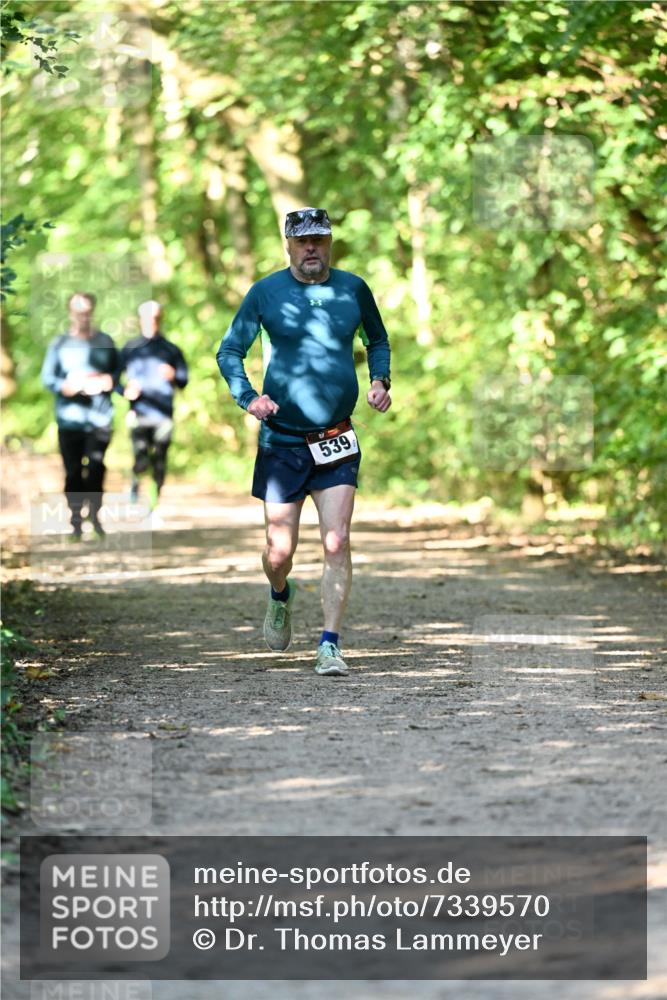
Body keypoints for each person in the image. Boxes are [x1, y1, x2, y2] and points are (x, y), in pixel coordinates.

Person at [217, 207, 391, 677]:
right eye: (303, 241)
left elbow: (377, 340)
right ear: (288, 245)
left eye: (320, 239)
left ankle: (329, 644)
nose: (312, 248)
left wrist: (380, 380)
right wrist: (248, 397)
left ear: (330, 242)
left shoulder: (353, 288)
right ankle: (279, 593)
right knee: (279, 553)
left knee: (337, 541)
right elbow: (230, 350)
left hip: (337, 437)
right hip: (283, 442)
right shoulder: (266, 292)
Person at [41, 291, 117, 539]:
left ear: (92, 312)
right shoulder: (59, 344)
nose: (83, 316)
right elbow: (47, 378)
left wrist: (109, 380)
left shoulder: (105, 340)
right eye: (78, 312)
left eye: (87, 312)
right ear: (71, 313)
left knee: (96, 468)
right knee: (73, 472)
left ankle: (95, 518)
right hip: (69, 419)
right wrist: (66, 386)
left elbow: (117, 374)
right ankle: (75, 522)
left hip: (100, 418)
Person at [116, 300, 188, 509]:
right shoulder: (130, 348)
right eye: (148, 318)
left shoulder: (171, 349)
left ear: (160, 318)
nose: (152, 322)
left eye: (155, 318)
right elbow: (114, 380)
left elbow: (183, 381)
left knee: (159, 460)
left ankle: (152, 506)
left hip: (164, 415)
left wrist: (174, 375)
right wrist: (125, 391)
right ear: (141, 320)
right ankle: (134, 490)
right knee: (141, 459)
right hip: (138, 413)